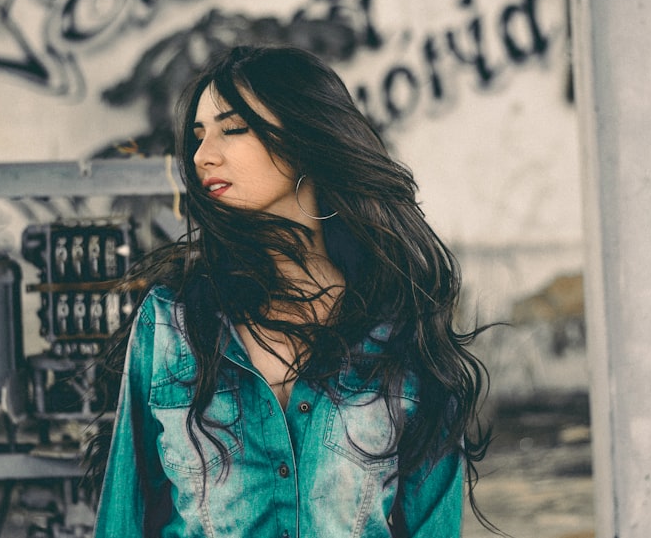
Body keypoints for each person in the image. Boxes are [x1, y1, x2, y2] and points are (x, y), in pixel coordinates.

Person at [91, 44, 493, 537]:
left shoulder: (399, 330)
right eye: (198, 136)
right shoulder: (170, 324)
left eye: (233, 129)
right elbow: (123, 522)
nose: (202, 155)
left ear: (304, 138)